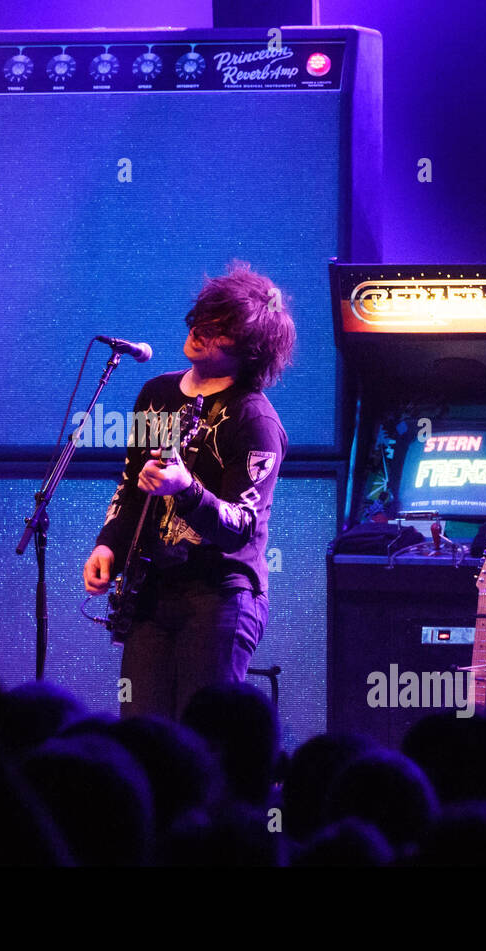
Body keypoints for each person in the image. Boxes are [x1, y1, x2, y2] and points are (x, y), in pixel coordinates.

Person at [83, 261, 295, 720]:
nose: (201, 329)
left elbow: (242, 526)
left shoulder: (254, 420)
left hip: (220, 598)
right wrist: (108, 546)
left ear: (249, 350)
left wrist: (187, 490)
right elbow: (132, 485)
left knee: (202, 741)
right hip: (152, 592)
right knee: (142, 738)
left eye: (221, 329)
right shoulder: (156, 395)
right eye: (204, 316)